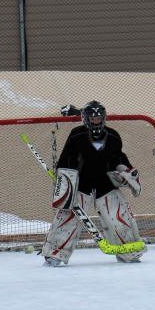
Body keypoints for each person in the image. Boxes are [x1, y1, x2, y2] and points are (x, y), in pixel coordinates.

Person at [41, 100, 144, 266]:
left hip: (106, 184)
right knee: (68, 218)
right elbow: (66, 160)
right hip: (81, 184)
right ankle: (55, 253)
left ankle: (129, 251)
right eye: (92, 118)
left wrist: (126, 172)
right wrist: (65, 185)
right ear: (85, 118)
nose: (96, 121)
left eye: (98, 118)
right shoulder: (76, 135)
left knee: (119, 217)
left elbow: (118, 158)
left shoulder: (113, 136)